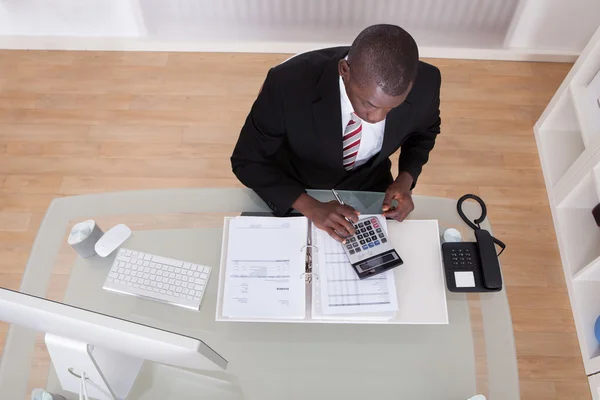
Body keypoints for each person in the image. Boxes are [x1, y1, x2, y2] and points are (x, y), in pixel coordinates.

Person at [231, 24, 441, 242]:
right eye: (368, 103)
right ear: (344, 70)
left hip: (370, 185)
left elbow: (425, 132)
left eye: (392, 107)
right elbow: (248, 161)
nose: (376, 118)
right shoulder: (287, 83)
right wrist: (310, 206)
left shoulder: (428, 83)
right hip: (297, 184)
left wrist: (405, 179)